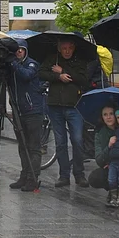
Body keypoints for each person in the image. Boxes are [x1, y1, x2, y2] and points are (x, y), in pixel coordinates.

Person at [39, 40, 91, 188]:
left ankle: (79, 174)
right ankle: (64, 175)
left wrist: (62, 71)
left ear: (73, 48)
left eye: (69, 48)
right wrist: (57, 77)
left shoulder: (79, 61)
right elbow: (41, 73)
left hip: (74, 106)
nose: (67, 51)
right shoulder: (51, 59)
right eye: (64, 48)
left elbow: (83, 79)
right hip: (55, 106)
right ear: (59, 48)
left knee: (77, 140)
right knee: (60, 143)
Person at [8, 38, 45, 192]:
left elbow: (26, 75)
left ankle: (33, 178)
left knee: (33, 146)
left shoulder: (32, 64)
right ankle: (24, 175)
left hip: (32, 110)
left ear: (26, 51)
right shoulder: (12, 66)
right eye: (17, 49)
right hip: (18, 111)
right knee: (22, 146)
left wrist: (13, 63)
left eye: (22, 49)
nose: (19, 52)